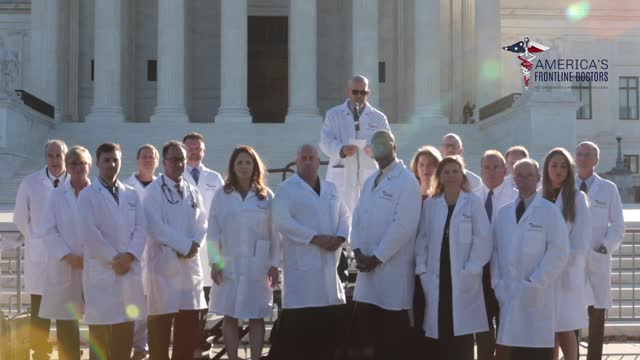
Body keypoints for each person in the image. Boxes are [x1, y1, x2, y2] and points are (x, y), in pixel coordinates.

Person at [271, 144, 350, 360]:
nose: (307, 162)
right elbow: (283, 222)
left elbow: (345, 216)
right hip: (301, 280)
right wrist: (315, 238)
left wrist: (340, 238)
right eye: (303, 158)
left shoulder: (332, 189)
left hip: (329, 273)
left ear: (318, 162)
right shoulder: (286, 189)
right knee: (301, 345)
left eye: (311, 158)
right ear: (297, 162)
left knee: (327, 343)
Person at [349, 130, 421, 359]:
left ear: (394, 147)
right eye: (375, 144)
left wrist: (377, 257)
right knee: (369, 337)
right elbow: (357, 218)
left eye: (384, 142)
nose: (379, 147)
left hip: (392, 272)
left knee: (393, 340)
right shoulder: (370, 181)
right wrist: (358, 250)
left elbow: (404, 226)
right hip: (367, 272)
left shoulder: (407, 180)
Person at [491, 159, 570, 360]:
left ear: (538, 179)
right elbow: (496, 252)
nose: (524, 180)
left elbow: (559, 251)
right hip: (508, 294)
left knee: (536, 352)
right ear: (513, 180)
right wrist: (497, 283)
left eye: (529, 176)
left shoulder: (549, 211)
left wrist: (536, 281)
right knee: (511, 350)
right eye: (519, 176)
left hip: (538, 295)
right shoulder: (503, 213)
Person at [416, 155, 492, 360]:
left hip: (463, 275)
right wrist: (422, 269)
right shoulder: (431, 204)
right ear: (439, 176)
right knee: (439, 328)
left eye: (455, 171)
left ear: (462, 175)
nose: (450, 176)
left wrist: (472, 269)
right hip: (436, 274)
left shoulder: (473, 202)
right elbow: (421, 239)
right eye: (446, 172)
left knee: (462, 335)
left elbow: (484, 239)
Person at [207, 145, 279, 360]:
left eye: (248, 162)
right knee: (230, 314)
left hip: (258, 266)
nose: (244, 166)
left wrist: (274, 264)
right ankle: (233, 356)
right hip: (229, 264)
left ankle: (255, 357)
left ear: (255, 166)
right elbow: (213, 231)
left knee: (256, 315)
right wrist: (214, 261)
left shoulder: (266, 197)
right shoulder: (222, 195)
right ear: (233, 166)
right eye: (240, 162)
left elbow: (275, 234)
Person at [78, 143, 147, 360]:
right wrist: (114, 260)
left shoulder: (132, 194)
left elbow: (141, 228)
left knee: (123, 337)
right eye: (107, 160)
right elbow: (89, 233)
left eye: (115, 160)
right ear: (97, 163)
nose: (111, 164)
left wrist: (129, 256)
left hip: (128, 272)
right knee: (100, 340)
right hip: (102, 273)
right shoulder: (88, 195)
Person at [142, 141, 208, 360]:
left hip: (188, 269)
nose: (179, 164)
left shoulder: (192, 189)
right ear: (164, 162)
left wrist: (195, 244)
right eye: (174, 159)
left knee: (187, 331)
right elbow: (154, 226)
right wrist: (185, 245)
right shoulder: (153, 191)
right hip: (163, 267)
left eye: (182, 159)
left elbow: (202, 222)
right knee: (160, 330)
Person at [14, 139, 69, 359]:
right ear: (45, 157)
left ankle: (67, 350)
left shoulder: (76, 181)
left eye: (59, 156)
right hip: (40, 255)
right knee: (39, 308)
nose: (55, 161)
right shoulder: (29, 183)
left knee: (66, 309)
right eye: (51, 156)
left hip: (66, 255)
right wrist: (35, 239)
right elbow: (19, 216)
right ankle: (40, 352)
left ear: (65, 156)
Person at [39, 146, 91, 360]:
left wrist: (92, 257)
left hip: (94, 265)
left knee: (98, 319)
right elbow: (48, 229)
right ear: (67, 168)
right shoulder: (56, 195)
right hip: (66, 265)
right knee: (66, 322)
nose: (78, 168)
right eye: (73, 164)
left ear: (90, 165)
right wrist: (67, 256)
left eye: (82, 163)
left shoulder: (98, 192)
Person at [575, 141, 625, 360]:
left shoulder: (608, 188)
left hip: (598, 259)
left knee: (596, 314)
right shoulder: (566, 187)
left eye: (588, 155)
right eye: (580, 154)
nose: (583, 159)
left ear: (596, 160)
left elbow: (618, 224)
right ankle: (572, 355)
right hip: (572, 260)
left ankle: (594, 357)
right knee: (571, 313)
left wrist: (605, 247)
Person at [541, 148, 591, 360]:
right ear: (546, 169)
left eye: (563, 166)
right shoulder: (539, 196)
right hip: (542, 272)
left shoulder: (577, 198)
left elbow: (580, 239)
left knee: (565, 327)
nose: (558, 170)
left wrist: (561, 263)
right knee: (548, 329)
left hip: (565, 273)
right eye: (554, 165)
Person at [319, 74, 390, 213]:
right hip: (342, 173)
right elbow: (325, 141)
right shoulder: (334, 114)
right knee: (339, 215)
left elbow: (388, 143)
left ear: (368, 93)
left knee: (367, 215)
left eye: (363, 92)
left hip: (368, 172)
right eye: (355, 92)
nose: (359, 95)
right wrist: (341, 149)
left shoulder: (378, 117)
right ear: (347, 92)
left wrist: (376, 150)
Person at [475, 150, 518, 360]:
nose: (491, 172)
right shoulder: (472, 197)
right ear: (480, 170)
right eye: (487, 167)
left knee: (506, 325)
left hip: (505, 270)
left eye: (496, 167)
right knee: (482, 325)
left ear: (505, 169)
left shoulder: (515, 198)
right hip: (479, 272)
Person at [124, 144, 159, 360]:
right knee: (132, 304)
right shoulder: (126, 187)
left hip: (157, 253)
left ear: (157, 161)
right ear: (137, 160)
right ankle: (129, 345)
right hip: (132, 252)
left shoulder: (163, 187)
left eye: (151, 157)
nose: (148, 160)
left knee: (152, 306)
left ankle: (142, 347)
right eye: (144, 156)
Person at [408, 145, 442, 355]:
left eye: (431, 164)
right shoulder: (409, 194)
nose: (426, 169)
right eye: (422, 164)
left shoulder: (441, 198)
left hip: (433, 265)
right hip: (409, 263)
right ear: (416, 168)